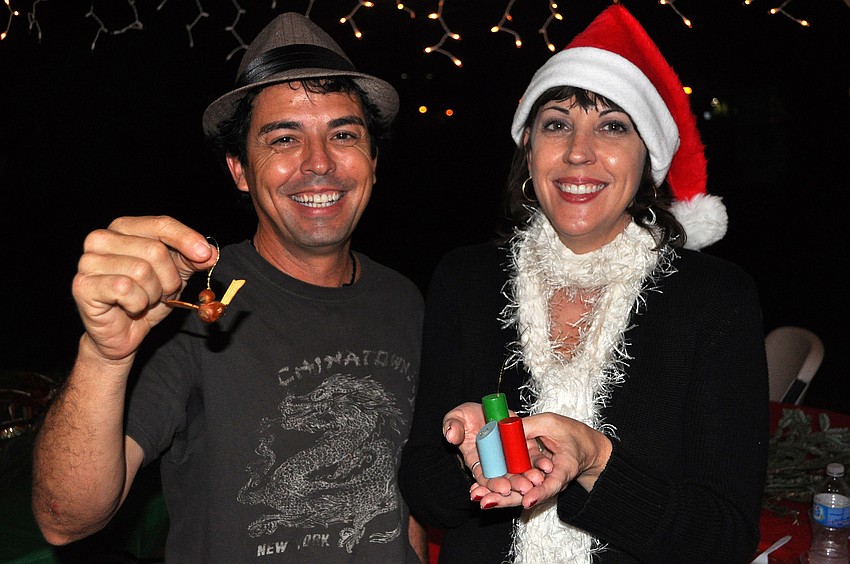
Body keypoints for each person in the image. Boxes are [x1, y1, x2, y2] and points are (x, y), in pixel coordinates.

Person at [31, 13, 426, 563]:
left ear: (373, 162)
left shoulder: (406, 299)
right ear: (240, 170)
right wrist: (101, 355)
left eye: (343, 134)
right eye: (284, 138)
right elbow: (64, 520)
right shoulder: (187, 303)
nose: (319, 163)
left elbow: (396, 492)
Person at [398, 5, 768, 563]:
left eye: (613, 126)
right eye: (557, 123)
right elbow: (426, 491)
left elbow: (722, 538)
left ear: (648, 161)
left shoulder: (715, 299)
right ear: (529, 149)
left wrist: (596, 461)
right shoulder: (466, 278)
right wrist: (469, 458)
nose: (578, 152)